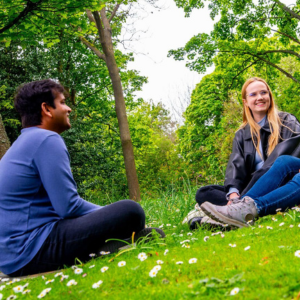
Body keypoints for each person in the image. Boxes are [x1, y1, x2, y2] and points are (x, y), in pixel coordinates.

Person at [0, 80, 164, 277]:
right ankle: (119, 243)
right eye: (62, 102)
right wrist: (108, 215)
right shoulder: (46, 139)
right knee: (131, 211)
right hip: (32, 249)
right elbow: (68, 207)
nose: (68, 108)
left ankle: (115, 246)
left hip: (12, 257)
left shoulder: (24, 142)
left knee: (142, 225)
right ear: (46, 109)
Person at [185, 77, 300, 229]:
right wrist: (233, 195)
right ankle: (236, 209)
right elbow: (236, 166)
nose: (260, 97)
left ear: (270, 97)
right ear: (245, 102)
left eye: (263, 93)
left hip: (282, 180)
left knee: (281, 162)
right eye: (253, 95)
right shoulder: (242, 134)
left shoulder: (286, 121)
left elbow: (290, 154)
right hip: (253, 186)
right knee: (205, 192)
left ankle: (233, 213)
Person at [200, 155, 300, 227]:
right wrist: (233, 192)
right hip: (248, 186)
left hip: (268, 180)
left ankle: (251, 209)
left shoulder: (288, 127)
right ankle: (240, 207)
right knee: (284, 161)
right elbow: (236, 164)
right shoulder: (242, 133)